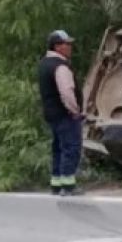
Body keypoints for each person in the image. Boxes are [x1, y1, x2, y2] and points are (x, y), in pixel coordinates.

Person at [38, 30, 85, 196]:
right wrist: (75, 110)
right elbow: (66, 91)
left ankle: (56, 183)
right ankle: (68, 185)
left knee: (58, 148)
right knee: (71, 147)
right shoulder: (60, 66)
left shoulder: (44, 63)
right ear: (57, 46)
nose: (70, 47)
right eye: (67, 44)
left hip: (52, 114)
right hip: (65, 114)